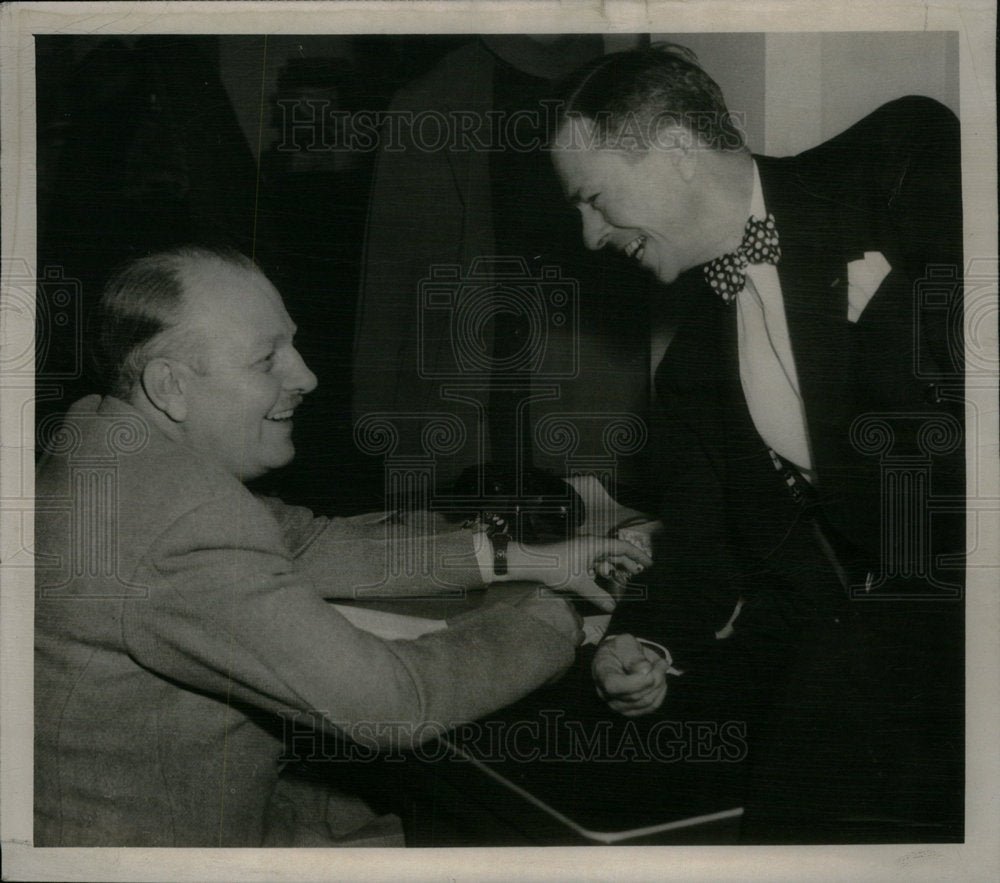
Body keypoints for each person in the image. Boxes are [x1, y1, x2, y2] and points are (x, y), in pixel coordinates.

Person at [33, 244, 650, 847]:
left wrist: (530, 561)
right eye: (266, 359)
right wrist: (553, 617)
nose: (306, 375)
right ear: (170, 386)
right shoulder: (178, 521)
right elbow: (394, 704)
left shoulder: (106, 443)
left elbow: (309, 543)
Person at [551, 47, 964, 841]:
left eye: (595, 199)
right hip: (882, 650)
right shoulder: (693, 366)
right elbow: (704, 546)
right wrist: (641, 638)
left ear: (675, 149)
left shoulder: (900, 158)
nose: (589, 234)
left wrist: (886, 324)